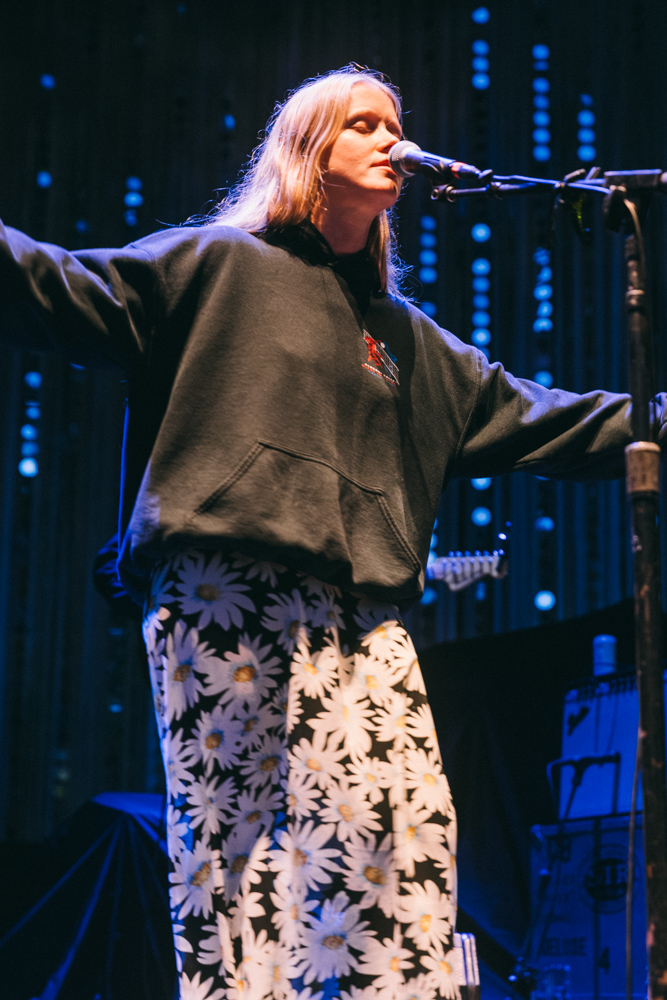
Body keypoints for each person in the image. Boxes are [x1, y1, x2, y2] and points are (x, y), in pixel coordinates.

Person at [1, 64, 664, 1000]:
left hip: (362, 616)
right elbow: (55, 286)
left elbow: (550, 419)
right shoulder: (217, 264)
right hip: (225, 588)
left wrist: (658, 416)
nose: (392, 140)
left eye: (396, 125)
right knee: (245, 859)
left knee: (405, 836)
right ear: (311, 149)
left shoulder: (410, 340)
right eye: (365, 124)